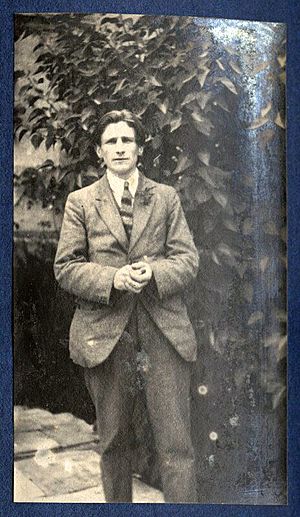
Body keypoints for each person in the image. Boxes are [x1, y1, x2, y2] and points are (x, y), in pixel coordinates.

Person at [54, 109, 199, 503]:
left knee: (176, 446)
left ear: (139, 149)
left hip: (162, 332)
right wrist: (112, 278)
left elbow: (187, 260)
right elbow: (65, 268)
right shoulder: (81, 202)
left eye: (127, 140)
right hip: (106, 334)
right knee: (113, 444)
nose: (120, 148)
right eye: (111, 141)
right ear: (99, 152)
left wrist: (153, 272)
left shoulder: (165, 198)